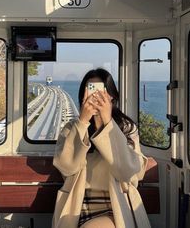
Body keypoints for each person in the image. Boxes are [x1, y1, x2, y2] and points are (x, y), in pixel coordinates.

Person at [52, 68, 151, 228]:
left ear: (112, 96)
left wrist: (107, 121)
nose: (95, 96)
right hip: (78, 204)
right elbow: (66, 168)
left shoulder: (126, 128)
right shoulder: (73, 128)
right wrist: (83, 121)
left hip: (117, 204)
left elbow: (129, 172)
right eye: (91, 90)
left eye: (101, 91)